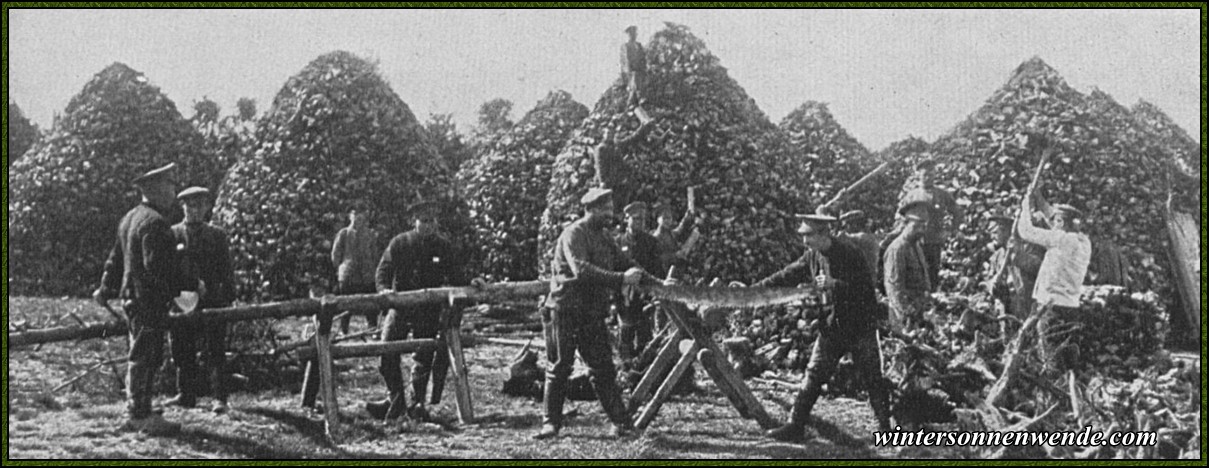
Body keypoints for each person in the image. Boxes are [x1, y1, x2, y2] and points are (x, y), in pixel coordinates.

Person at [751, 213, 892, 441]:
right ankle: (795, 426)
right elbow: (787, 274)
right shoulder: (812, 256)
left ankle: (886, 430)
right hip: (832, 328)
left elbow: (866, 291)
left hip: (860, 327)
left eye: (809, 236)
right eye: (803, 236)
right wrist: (755, 289)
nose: (804, 241)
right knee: (814, 375)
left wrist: (834, 284)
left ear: (823, 234)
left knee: (873, 378)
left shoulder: (850, 253)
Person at [534, 188, 660, 440]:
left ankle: (621, 424)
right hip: (564, 309)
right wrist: (620, 278)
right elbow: (581, 270)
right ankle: (550, 423)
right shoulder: (574, 234)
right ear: (589, 209)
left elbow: (627, 264)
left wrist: (656, 283)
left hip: (591, 312)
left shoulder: (605, 238)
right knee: (559, 366)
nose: (609, 215)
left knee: (602, 368)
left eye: (610, 209)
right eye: (604, 210)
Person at [93, 163, 197, 436]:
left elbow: (115, 260)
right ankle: (139, 415)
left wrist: (105, 289)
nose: (174, 192)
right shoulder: (156, 223)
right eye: (170, 186)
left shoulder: (130, 218)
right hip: (148, 301)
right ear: (155, 189)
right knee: (146, 356)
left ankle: (141, 407)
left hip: (133, 298)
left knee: (142, 352)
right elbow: (157, 269)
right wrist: (188, 287)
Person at [366, 200, 481, 421]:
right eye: (423, 221)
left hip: (428, 311)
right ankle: (396, 400)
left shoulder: (443, 246)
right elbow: (383, 270)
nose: (428, 225)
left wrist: (471, 282)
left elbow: (457, 275)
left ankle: (417, 404)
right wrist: (384, 290)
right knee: (386, 353)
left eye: (432, 221)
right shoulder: (400, 243)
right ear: (414, 221)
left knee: (423, 357)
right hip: (400, 308)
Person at [165, 187, 236, 414]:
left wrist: (228, 298)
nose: (193, 211)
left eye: (198, 206)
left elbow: (226, 270)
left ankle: (219, 398)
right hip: (182, 300)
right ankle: (186, 394)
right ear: (182, 207)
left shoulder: (217, 235)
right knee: (181, 349)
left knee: (215, 350)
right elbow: (166, 271)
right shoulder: (172, 234)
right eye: (189, 206)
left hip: (212, 300)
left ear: (207, 208)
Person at [1018, 186, 1092, 370]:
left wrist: (1024, 207)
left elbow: (1026, 231)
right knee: (1068, 358)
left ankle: (1052, 392)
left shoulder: (1060, 239)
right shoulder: (1084, 242)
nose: (1054, 223)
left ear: (1062, 223)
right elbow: (1054, 220)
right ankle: (1070, 392)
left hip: (1051, 307)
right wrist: (1039, 198)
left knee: (1050, 357)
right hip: (1071, 307)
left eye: (1057, 221)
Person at [896, 159, 963, 288]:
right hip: (914, 241)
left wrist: (951, 231)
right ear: (919, 175)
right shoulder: (911, 196)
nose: (928, 178)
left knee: (933, 271)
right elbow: (900, 218)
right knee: (915, 270)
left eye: (931, 174)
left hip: (934, 240)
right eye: (925, 174)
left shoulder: (942, 194)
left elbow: (957, 212)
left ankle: (932, 300)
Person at [615, 201, 662, 363]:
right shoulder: (618, 242)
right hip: (625, 296)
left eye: (642, 220)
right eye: (635, 219)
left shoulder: (651, 242)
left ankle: (644, 370)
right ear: (626, 219)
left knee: (645, 335)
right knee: (625, 333)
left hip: (645, 296)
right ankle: (626, 369)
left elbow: (657, 269)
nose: (639, 223)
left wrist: (654, 292)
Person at [882, 203, 933, 334]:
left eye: (923, 226)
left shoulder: (916, 246)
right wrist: (907, 314)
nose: (921, 230)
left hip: (918, 313)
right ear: (905, 224)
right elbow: (894, 288)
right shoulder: (897, 249)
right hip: (905, 318)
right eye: (916, 226)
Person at [331, 207, 381, 335]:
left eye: (361, 216)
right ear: (350, 216)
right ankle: (344, 330)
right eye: (355, 215)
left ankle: (373, 329)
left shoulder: (370, 234)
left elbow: (375, 254)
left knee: (371, 304)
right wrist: (341, 269)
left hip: (367, 274)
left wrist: (372, 269)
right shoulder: (343, 234)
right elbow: (335, 254)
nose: (358, 218)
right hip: (348, 275)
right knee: (346, 304)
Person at [593, 115, 657, 203]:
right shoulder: (601, 148)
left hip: (619, 179)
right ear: (603, 135)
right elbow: (599, 165)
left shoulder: (616, 144)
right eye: (607, 133)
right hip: (609, 181)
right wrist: (602, 181)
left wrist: (643, 128)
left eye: (611, 133)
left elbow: (631, 139)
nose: (609, 135)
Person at [834, 209, 882, 286]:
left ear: (855, 224)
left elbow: (843, 238)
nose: (846, 228)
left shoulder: (863, 238)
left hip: (863, 281)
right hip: (867, 280)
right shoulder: (870, 236)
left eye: (847, 225)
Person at [620, 25, 649, 115]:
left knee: (641, 85)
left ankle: (638, 101)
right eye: (631, 34)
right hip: (632, 72)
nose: (633, 35)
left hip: (640, 71)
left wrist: (644, 68)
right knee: (634, 87)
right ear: (628, 35)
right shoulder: (625, 46)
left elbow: (643, 58)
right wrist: (628, 72)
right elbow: (625, 60)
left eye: (635, 33)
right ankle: (633, 103)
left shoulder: (639, 45)